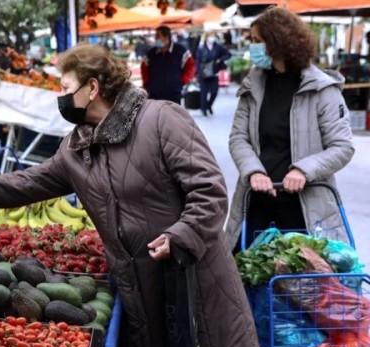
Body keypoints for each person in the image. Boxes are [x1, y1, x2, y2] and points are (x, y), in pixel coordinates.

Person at [0, 43, 260, 347]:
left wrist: (180, 236)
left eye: (64, 85)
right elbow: (29, 182)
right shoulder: (77, 147)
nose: (60, 95)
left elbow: (209, 192)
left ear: (91, 87)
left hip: (194, 279)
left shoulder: (160, 120)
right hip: (140, 287)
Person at [226, 7, 354, 251]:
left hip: (306, 209)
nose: (252, 48)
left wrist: (303, 171)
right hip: (255, 204)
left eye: (256, 41)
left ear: (276, 42)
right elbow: (238, 138)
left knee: (304, 282)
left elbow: (342, 146)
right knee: (245, 278)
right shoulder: (252, 86)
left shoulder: (322, 89)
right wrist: (254, 172)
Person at [141, 26, 196, 103]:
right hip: (154, 94)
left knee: (173, 114)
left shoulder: (180, 50)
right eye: (155, 37)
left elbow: (191, 66)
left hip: (174, 93)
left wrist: (183, 81)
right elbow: (144, 68)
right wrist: (146, 84)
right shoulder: (151, 53)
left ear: (166, 37)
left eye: (158, 37)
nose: (155, 39)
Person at [196, 31, 231, 116]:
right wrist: (197, 72)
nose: (212, 38)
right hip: (203, 73)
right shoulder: (201, 47)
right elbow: (197, 60)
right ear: (206, 37)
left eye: (213, 36)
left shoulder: (218, 47)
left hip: (214, 73)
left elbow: (228, 54)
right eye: (210, 36)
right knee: (203, 93)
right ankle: (204, 109)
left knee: (214, 92)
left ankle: (209, 105)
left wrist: (220, 59)